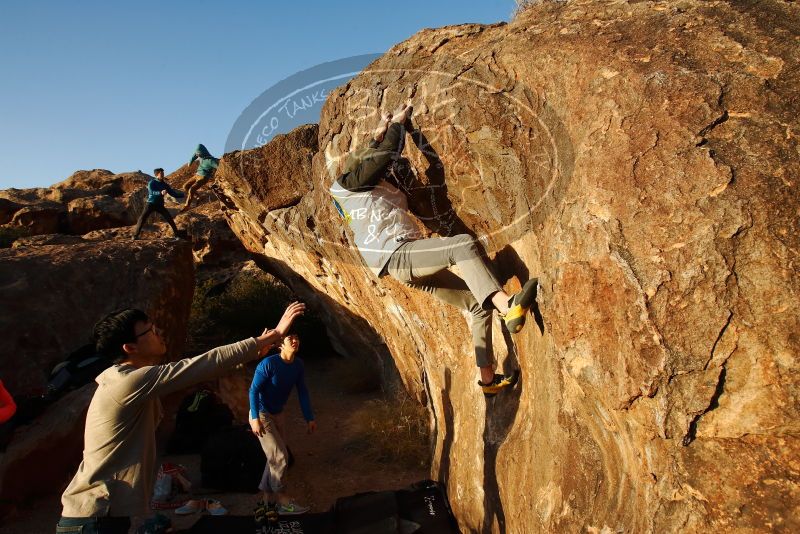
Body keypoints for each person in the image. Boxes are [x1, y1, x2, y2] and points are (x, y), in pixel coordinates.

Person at [330, 104, 538, 398]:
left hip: (399, 262)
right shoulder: (351, 184)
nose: (393, 173)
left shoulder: (349, 188)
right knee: (461, 245)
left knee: (476, 305)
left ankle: (488, 379)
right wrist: (400, 125)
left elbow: (364, 158)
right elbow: (380, 157)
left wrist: (376, 135)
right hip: (398, 254)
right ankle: (508, 307)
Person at [56, 301, 305, 534]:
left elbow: (201, 373)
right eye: (150, 331)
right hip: (93, 519)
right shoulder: (127, 382)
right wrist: (272, 335)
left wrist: (252, 355)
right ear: (129, 348)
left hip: (102, 515)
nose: (159, 332)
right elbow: (204, 363)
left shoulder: (132, 380)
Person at [249, 324, 315, 521]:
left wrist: (309, 417)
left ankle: (267, 499)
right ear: (280, 344)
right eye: (290, 338)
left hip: (278, 414)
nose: (295, 341)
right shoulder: (268, 364)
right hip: (261, 414)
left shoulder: (298, 365)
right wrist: (254, 418)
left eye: (297, 337)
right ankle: (283, 500)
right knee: (280, 456)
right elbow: (253, 390)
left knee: (274, 457)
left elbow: (302, 391)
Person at [132, 168, 184, 240]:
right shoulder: (152, 183)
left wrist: (183, 195)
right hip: (151, 204)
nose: (163, 175)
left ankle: (177, 236)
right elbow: (152, 192)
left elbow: (173, 193)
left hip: (160, 205)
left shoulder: (165, 184)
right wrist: (160, 192)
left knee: (169, 219)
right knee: (142, 218)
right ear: (156, 175)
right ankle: (135, 236)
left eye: (163, 173)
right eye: (161, 174)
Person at [181, 144, 219, 212]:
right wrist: (190, 162)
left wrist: (217, 177)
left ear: (202, 153)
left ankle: (187, 206)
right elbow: (194, 155)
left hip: (204, 177)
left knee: (191, 189)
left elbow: (219, 167)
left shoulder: (210, 160)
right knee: (185, 186)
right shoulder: (200, 155)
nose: (198, 156)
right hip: (196, 175)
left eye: (199, 154)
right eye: (197, 154)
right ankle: (199, 196)